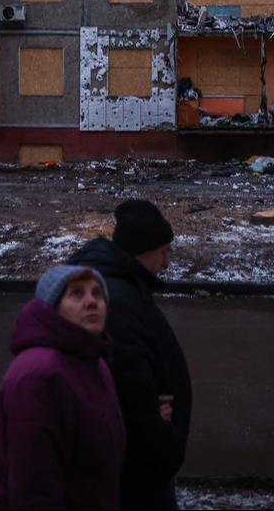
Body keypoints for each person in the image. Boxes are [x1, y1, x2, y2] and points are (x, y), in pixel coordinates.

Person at [69, 200, 191, 511]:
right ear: (144, 251)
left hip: (135, 459)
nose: (167, 262)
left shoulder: (123, 287)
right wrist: (155, 426)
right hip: (136, 466)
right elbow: (126, 381)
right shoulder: (118, 301)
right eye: (164, 251)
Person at [0, 265, 126, 510]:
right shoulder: (40, 374)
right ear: (53, 308)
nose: (91, 302)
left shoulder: (92, 361)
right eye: (77, 294)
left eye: (97, 294)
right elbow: (33, 484)